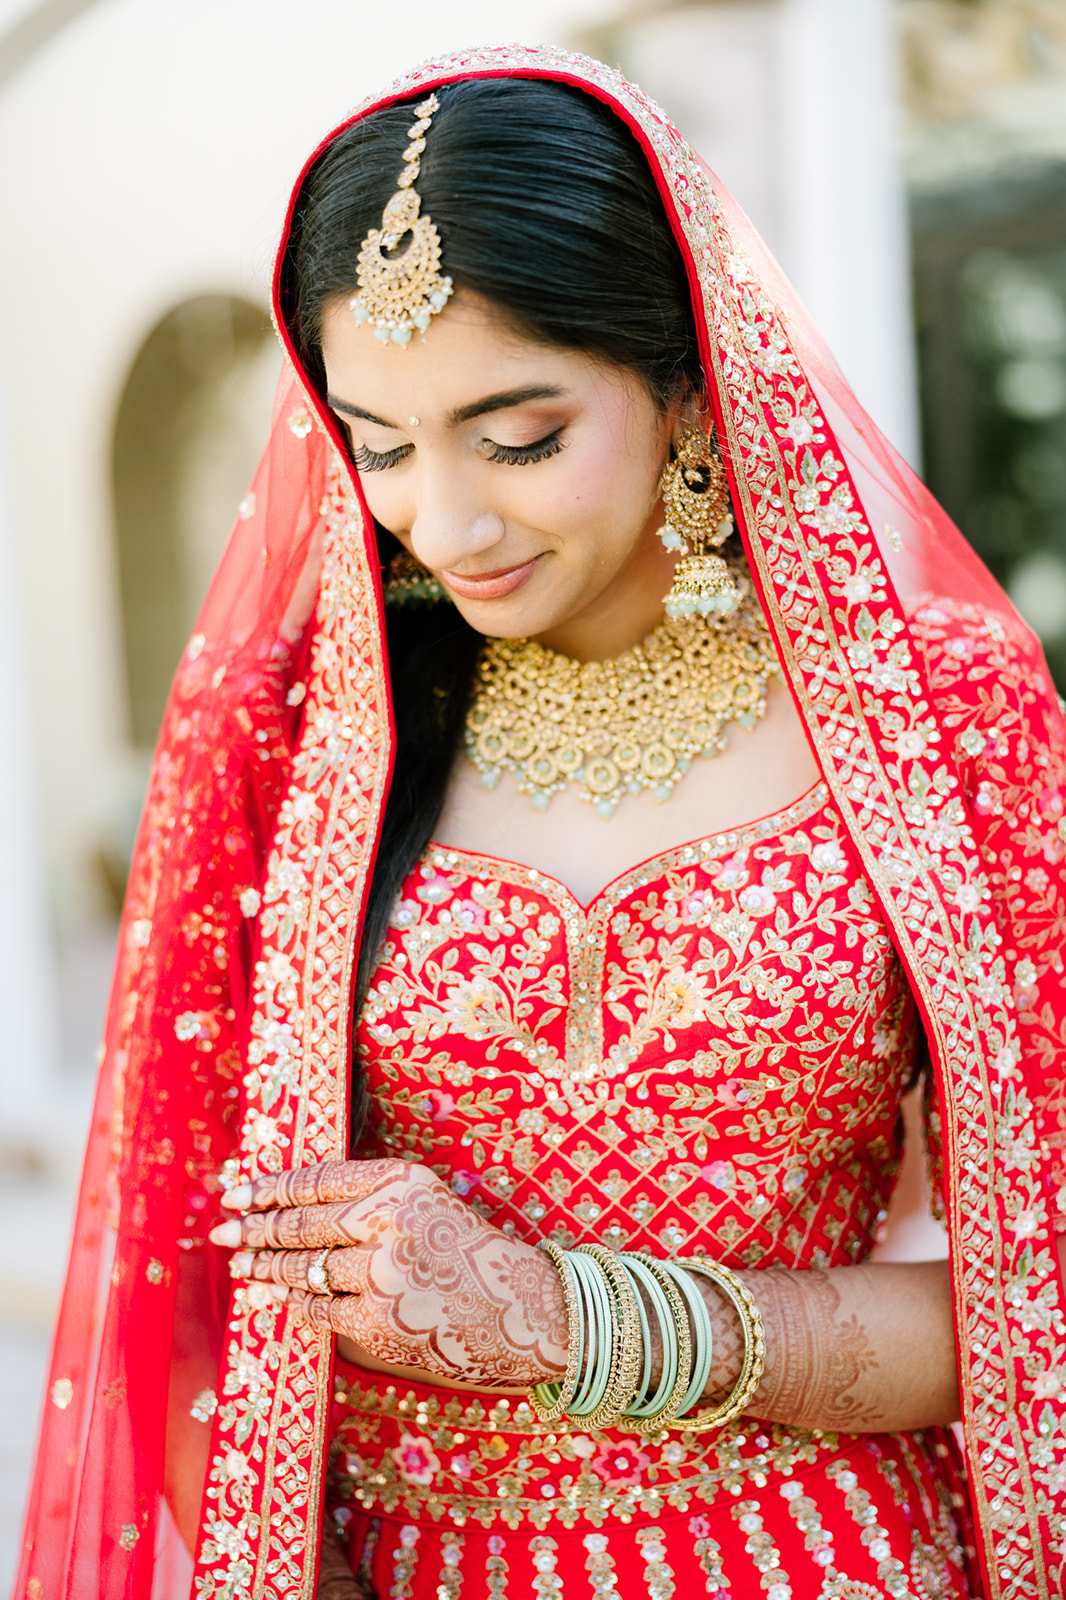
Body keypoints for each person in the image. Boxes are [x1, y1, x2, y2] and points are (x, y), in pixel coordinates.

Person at [17, 45, 1066, 1600]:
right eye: (376, 444)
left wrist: (564, 1318)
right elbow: (184, 1302)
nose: (446, 524)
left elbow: (1031, 1302)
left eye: (516, 436)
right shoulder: (296, 739)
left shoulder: (934, 718)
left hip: (825, 1558)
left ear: (686, 379)